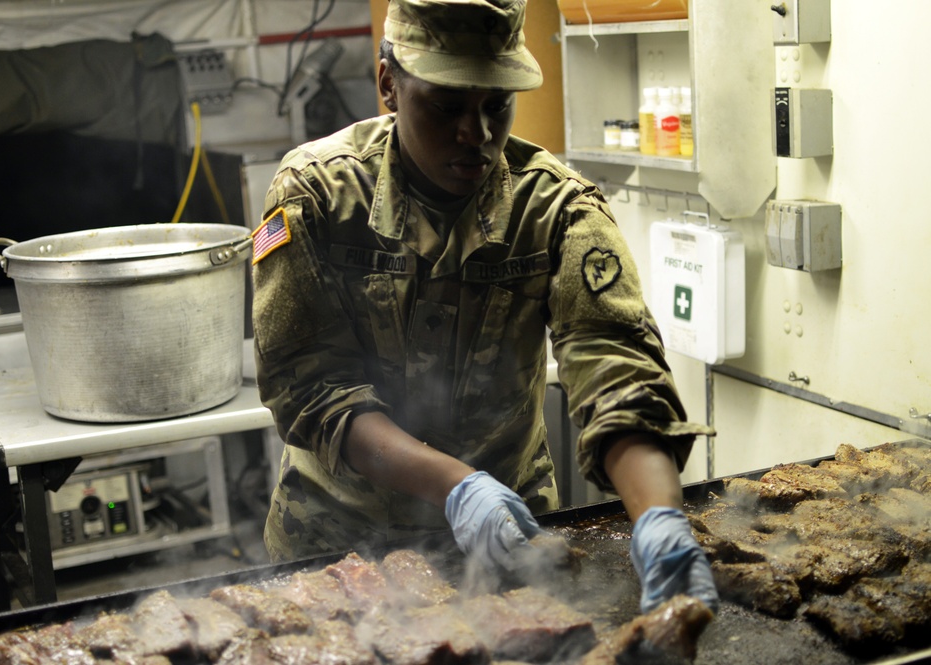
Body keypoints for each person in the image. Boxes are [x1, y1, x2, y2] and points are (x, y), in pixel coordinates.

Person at [250, 0, 718, 614]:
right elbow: (312, 390)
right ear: (389, 84)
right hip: (340, 552)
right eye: (447, 107)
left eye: (496, 104)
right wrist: (456, 485)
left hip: (510, 542)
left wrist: (660, 519)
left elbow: (618, 370)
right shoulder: (317, 196)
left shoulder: (555, 209)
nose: (477, 134)